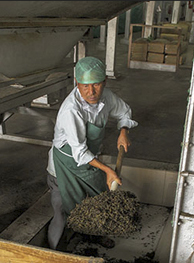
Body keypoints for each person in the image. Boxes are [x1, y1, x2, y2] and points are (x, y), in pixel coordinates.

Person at [46, 56, 138, 250]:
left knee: (98, 201)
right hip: (65, 164)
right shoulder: (71, 110)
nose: (91, 92)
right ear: (77, 83)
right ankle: (58, 250)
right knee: (62, 209)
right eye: (85, 86)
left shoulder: (106, 97)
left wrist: (123, 131)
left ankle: (94, 236)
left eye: (96, 85)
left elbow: (124, 111)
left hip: (90, 161)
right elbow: (79, 152)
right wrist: (107, 170)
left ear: (104, 82)